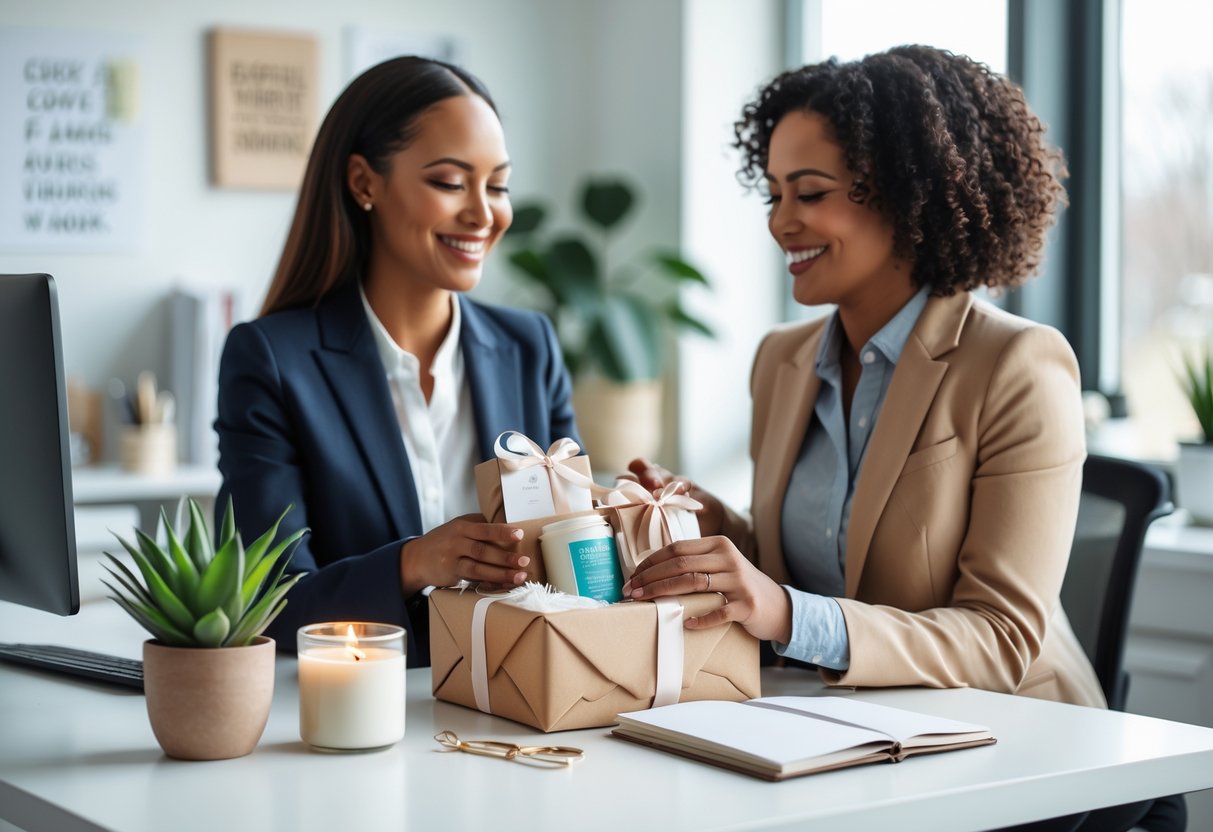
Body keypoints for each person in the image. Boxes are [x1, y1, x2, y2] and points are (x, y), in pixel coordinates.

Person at [623, 46, 1184, 831]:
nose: (781, 220)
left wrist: (784, 613)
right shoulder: (781, 362)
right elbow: (823, 565)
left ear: (908, 195)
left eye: (809, 192)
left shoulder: (1014, 364)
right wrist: (715, 529)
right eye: (774, 192)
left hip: (1019, 754)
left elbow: (999, 639)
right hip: (846, 742)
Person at [214, 57, 579, 668]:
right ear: (364, 183)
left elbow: (568, 562)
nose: (484, 214)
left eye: (498, 185)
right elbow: (270, 604)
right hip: (359, 712)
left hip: (520, 704)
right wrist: (415, 562)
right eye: (449, 182)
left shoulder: (529, 346)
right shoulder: (272, 360)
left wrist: (628, 518)